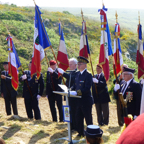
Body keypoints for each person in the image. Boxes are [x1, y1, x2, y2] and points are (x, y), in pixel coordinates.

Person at [70, 56, 93, 137]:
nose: (78, 66)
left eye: (80, 64)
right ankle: (81, 132)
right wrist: (71, 90)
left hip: (86, 100)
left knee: (88, 118)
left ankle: (91, 133)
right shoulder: (77, 74)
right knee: (78, 117)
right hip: (78, 100)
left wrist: (77, 92)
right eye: (78, 64)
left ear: (85, 65)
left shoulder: (88, 75)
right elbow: (75, 85)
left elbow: (87, 88)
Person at [58, 58, 78, 130]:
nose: (69, 66)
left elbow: (72, 79)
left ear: (76, 65)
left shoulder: (77, 72)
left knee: (74, 111)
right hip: (68, 95)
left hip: (74, 95)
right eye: (69, 64)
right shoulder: (70, 72)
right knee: (69, 111)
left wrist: (63, 73)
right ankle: (71, 125)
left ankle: (75, 126)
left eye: (71, 64)